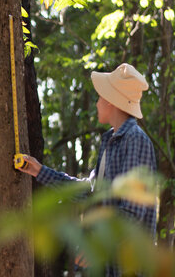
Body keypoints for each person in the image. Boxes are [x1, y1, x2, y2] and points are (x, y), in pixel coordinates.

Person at [17, 63, 156, 275]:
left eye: (100, 97)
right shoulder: (110, 142)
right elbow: (90, 191)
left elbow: (132, 212)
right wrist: (40, 171)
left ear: (111, 101)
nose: (97, 103)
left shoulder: (135, 140)